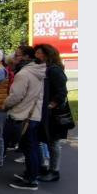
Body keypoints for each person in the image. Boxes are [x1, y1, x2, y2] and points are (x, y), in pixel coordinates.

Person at [4, 53, 47, 191]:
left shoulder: (23, 74)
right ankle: (31, 174)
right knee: (32, 147)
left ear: (24, 58)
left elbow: (16, 95)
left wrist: (5, 104)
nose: (13, 58)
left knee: (29, 149)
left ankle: (31, 180)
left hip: (24, 115)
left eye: (17, 56)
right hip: (34, 114)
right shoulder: (38, 71)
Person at [34, 44, 69, 182]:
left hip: (52, 114)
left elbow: (62, 92)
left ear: (47, 55)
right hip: (45, 111)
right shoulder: (45, 69)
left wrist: (50, 105)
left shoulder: (54, 70)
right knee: (43, 139)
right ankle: (43, 167)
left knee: (53, 141)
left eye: (38, 53)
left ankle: (54, 171)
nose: (35, 56)